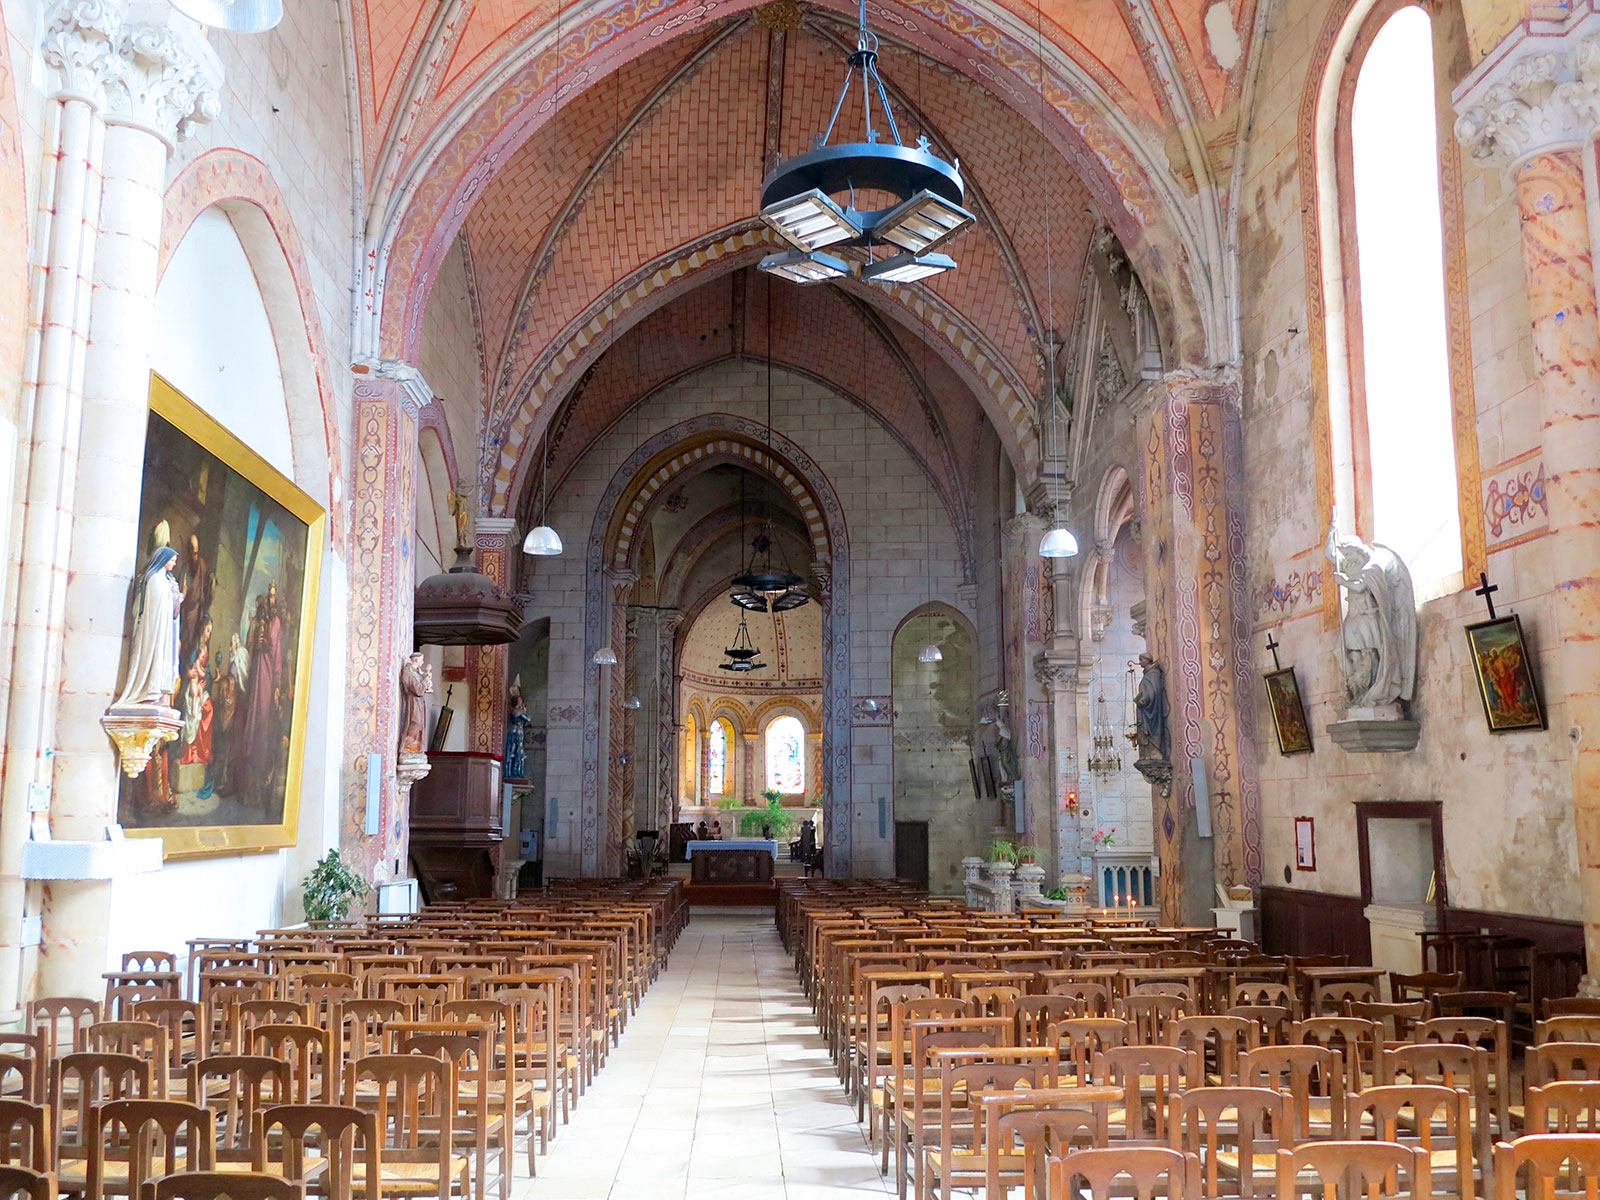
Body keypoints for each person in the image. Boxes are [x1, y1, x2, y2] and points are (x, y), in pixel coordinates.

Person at [115, 547, 183, 707]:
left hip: (164, 629)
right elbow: (156, 605)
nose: (174, 564)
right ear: (163, 559)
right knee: (154, 655)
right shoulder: (154, 579)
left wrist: (176, 600)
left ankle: (158, 692)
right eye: (172, 560)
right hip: (155, 628)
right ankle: (150, 691)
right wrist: (174, 599)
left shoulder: (164, 579)